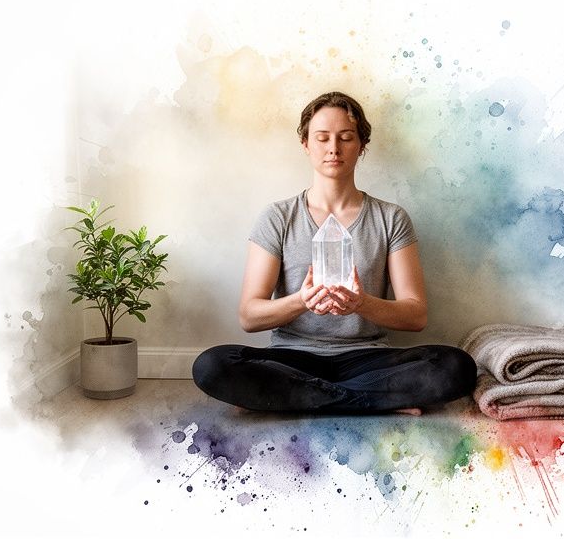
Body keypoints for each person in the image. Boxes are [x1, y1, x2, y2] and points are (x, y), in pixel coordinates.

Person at [192, 91, 477, 415]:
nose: (333, 148)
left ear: (362, 145)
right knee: (211, 365)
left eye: (345, 138)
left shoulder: (391, 218)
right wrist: (303, 300)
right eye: (322, 138)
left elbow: (416, 315)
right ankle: (373, 402)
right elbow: (249, 316)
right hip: (292, 359)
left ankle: (300, 400)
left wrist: (362, 303)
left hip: (367, 359)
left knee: (456, 366)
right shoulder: (278, 217)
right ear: (305, 143)